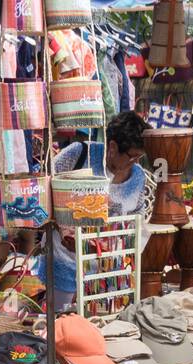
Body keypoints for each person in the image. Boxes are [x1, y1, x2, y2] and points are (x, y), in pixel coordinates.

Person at [45, 111, 148, 312]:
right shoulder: (78, 154)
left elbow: (138, 217)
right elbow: (46, 192)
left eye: (139, 156)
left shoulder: (138, 177)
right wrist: (64, 226)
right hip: (63, 265)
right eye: (132, 156)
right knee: (63, 323)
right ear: (112, 147)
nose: (135, 162)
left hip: (108, 275)